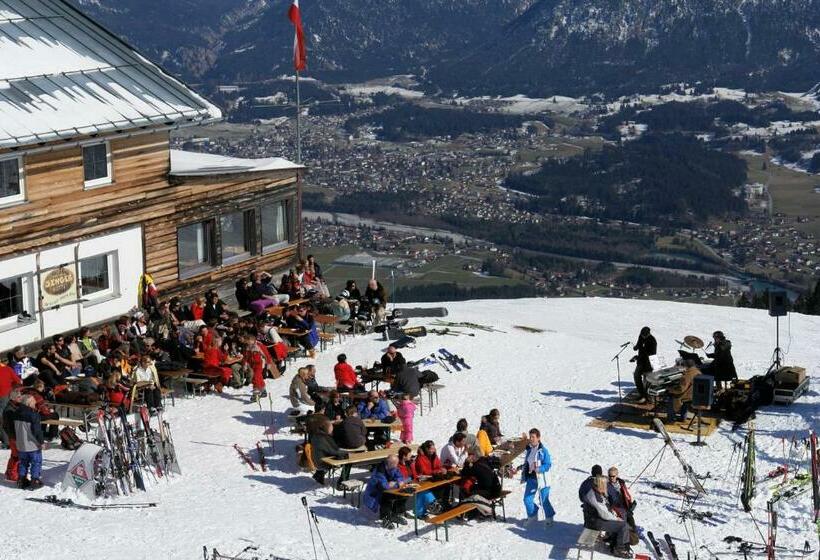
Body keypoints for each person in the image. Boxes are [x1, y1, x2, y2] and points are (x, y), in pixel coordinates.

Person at [582, 476, 632, 558]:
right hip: (594, 522)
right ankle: (619, 549)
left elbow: (605, 507)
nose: (607, 486)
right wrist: (616, 518)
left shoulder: (596, 491)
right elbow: (604, 514)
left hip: (596, 518)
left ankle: (615, 540)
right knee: (623, 525)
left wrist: (614, 513)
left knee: (623, 513)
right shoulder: (594, 497)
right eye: (605, 484)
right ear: (601, 484)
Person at [363, 454, 409, 529]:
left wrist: (396, 483)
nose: (397, 466)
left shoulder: (393, 467)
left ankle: (395, 514)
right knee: (386, 498)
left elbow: (400, 477)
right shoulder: (379, 470)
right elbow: (385, 486)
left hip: (389, 490)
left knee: (404, 494)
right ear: (391, 464)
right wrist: (396, 484)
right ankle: (385, 519)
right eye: (396, 464)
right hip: (375, 492)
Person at [521, 428, 555, 525]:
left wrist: (539, 469)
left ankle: (549, 517)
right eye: (530, 437)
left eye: (533, 437)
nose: (531, 439)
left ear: (538, 438)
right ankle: (532, 515)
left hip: (542, 479)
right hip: (531, 478)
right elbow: (528, 463)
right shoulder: (530, 449)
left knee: (543, 500)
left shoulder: (543, 451)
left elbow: (548, 464)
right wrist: (520, 468)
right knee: (527, 499)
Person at [13, 394, 44, 490]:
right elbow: (37, 431)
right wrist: (41, 442)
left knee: (23, 462)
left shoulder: (15, 413)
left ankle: (21, 480)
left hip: (21, 444)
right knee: (36, 462)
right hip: (32, 445)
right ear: (29, 403)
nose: (35, 403)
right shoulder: (33, 415)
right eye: (33, 402)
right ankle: (35, 480)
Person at [397, 446, 437, 518]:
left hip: (413, 483)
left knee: (423, 489)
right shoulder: (398, 466)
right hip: (403, 486)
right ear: (404, 456)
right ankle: (431, 504)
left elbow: (414, 475)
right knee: (422, 491)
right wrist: (411, 479)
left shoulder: (409, 463)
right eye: (409, 455)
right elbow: (402, 479)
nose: (411, 456)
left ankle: (429, 506)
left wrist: (419, 477)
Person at [309, 418, 348, 485]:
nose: (332, 428)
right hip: (321, 462)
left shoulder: (317, 434)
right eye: (331, 427)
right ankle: (342, 481)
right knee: (345, 460)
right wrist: (346, 452)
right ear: (326, 428)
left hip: (317, 458)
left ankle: (319, 474)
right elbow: (333, 451)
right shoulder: (323, 438)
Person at [606, 466, 637, 533]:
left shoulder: (621, 483)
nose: (611, 478)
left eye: (613, 476)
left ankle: (633, 533)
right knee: (624, 518)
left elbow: (626, 494)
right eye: (609, 476)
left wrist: (630, 503)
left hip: (624, 506)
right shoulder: (606, 485)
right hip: (615, 508)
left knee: (630, 518)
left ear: (617, 475)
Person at [630, 326, 656, 402]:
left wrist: (638, 357)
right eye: (641, 335)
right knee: (636, 375)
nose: (642, 336)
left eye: (644, 335)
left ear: (648, 334)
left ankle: (648, 396)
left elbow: (652, 354)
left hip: (648, 363)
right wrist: (636, 347)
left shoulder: (652, 341)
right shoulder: (641, 336)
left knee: (647, 380)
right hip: (640, 361)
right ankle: (641, 394)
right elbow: (639, 343)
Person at [0, 358, 22, 448]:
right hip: (5, 395)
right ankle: (7, 440)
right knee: (5, 418)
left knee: (3, 418)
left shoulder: (7, 369)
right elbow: (18, 381)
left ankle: (6, 440)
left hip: (4, 396)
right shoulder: (7, 369)